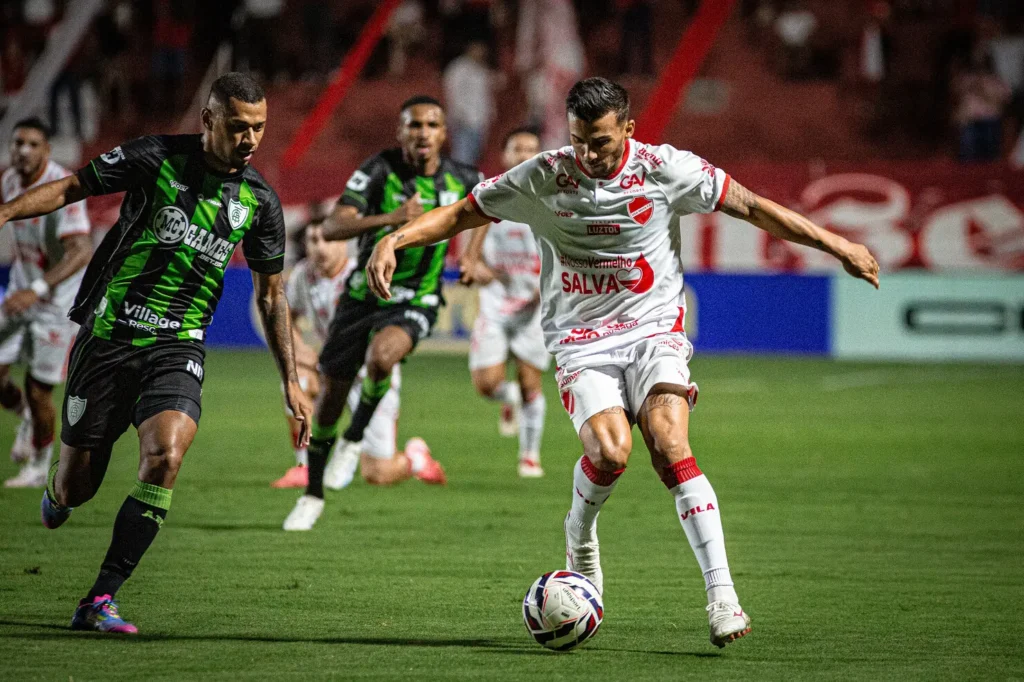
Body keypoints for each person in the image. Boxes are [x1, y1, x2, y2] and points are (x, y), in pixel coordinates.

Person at [366, 77, 880, 648]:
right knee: (611, 452)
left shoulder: (666, 170)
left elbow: (754, 208)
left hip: (655, 331)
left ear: (629, 130)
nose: (590, 155)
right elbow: (461, 213)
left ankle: (723, 597)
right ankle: (580, 538)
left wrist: (840, 246)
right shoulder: (543, 175)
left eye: (603, 143)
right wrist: (396, 241)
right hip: (581, 340)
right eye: (581, 141)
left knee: (669, 443)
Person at [0, 72, 312, 634]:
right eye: (239, 126)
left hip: (179, 344)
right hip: (109, 336)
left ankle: (99, 597)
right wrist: (3, 212)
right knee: (78, 486)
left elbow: (271, 293)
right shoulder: (155, 157)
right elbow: (73, 187)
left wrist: (289, 378)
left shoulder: (259, 202)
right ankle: (57, 488)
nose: (250, 139)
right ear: (209, 120)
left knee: (166, 455)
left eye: (259, 128)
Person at [282, 95, 480, 531]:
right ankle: (312, 495)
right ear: (400, 132)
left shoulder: (463, 178)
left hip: (417, 297)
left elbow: (482, 212)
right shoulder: (378, 170)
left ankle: (354, 440)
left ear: (444, 133)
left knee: (382, 358)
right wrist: (390, 218)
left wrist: (471, 258)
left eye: (432, 125)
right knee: (329, 403)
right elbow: (333, 226)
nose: (423, 132)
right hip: (363, 295)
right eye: (414, 125)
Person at [272, 222, 444, 496]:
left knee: (378, 473)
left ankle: (416, 458)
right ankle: (304, 466)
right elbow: (285, 317)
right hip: (334, 367)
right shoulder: (303, 275)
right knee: (295, 381)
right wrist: (299, 351)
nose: (320, 247)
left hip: (368, 373)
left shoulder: (363, 273)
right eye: (313, 240)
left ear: (343, 241)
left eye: (327, 239)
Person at [0, 117, 92, 488]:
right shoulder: (9, 181)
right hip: (18, 296)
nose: (23, 150)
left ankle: (39, 466)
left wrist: (35, 289)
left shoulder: (60, 190)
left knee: (40, 391)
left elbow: (81, 251)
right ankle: (26, 418)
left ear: (47, 150)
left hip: (55, 304)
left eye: (33, 144)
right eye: (18, 142)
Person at [459, 127, 549, 477]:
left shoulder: (550, 199)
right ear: (505, 156)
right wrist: (475, 268)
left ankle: (529, 455)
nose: (525, 155)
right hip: (496, 305)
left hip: (535, 306)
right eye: (517, 148)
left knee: (531, 382)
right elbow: (469, 259)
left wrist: (552, 285)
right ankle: (507, 401)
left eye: (532, 149)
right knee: (486, 385)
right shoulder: (489, 198)